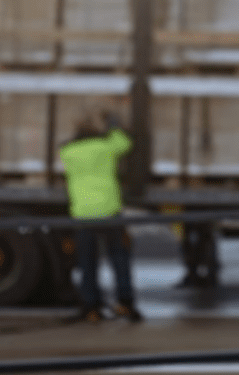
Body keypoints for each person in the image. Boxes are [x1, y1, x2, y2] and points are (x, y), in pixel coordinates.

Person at [60, 111, 143, 323]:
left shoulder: (68, 152)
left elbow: (63, 147)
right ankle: (125, 303)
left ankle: (91, 308)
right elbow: (125, 143)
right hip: (109, 212)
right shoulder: (106, 148)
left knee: (88, 263)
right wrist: (114, 124)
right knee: (119, 259)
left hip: (83, 214)